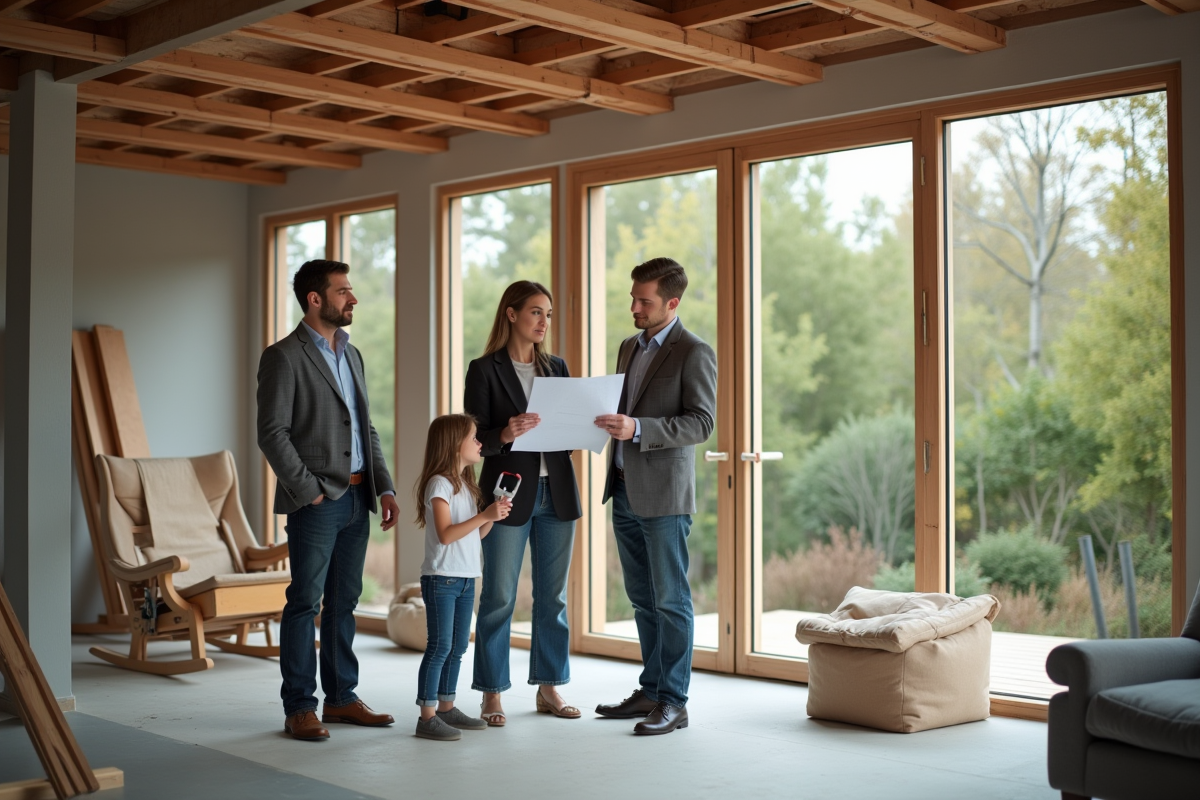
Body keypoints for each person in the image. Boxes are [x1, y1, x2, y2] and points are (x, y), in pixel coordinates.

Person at [257, 258, 401, 741]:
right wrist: (309, 491)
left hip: (360, 496)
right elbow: (272, 433)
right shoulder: (283, 356)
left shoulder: (352, 353)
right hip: (317, 501)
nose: (353, 299)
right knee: (304, 602)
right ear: (315, 299)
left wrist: (384, 485)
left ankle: (340, 699)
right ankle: (300, 706)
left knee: (345, 602)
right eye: (343, 291)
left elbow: (366, 427)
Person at [593, 257, 717, 736]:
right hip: (622, 488)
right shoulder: (629, 347)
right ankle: (650, 689)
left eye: (644, 301)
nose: (634, 307)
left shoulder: (694, 351)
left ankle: (674, 701)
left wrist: (638, 427)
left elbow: (701, 423)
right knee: (642, 599)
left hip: (664, 496)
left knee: (671, 600)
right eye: (632, 298)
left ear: (672, 302)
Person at [464, 281, 583, 726]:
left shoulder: (558, 368)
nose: (544, 322)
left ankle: (549, 687)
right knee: (498, 596)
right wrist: (505, 434)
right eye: (536, 312)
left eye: (548, 314)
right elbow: (473, 440)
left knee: (552, 596)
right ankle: (491, 693)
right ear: (512, 314)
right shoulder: (483, 370)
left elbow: (565, 434)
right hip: (507, 495)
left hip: (558, 493)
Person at [412, 414, 512, 741]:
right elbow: (445, 534)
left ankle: (446, 706)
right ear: (456, 445)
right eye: (474, 438)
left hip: (466, 578)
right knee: (440, 646)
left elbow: (474, 535)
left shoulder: (466, 485)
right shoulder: (439, 484)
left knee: (456, 647)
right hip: (442, 579)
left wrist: (492, 516)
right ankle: (426, 716)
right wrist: (484, 514)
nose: (481, 443)